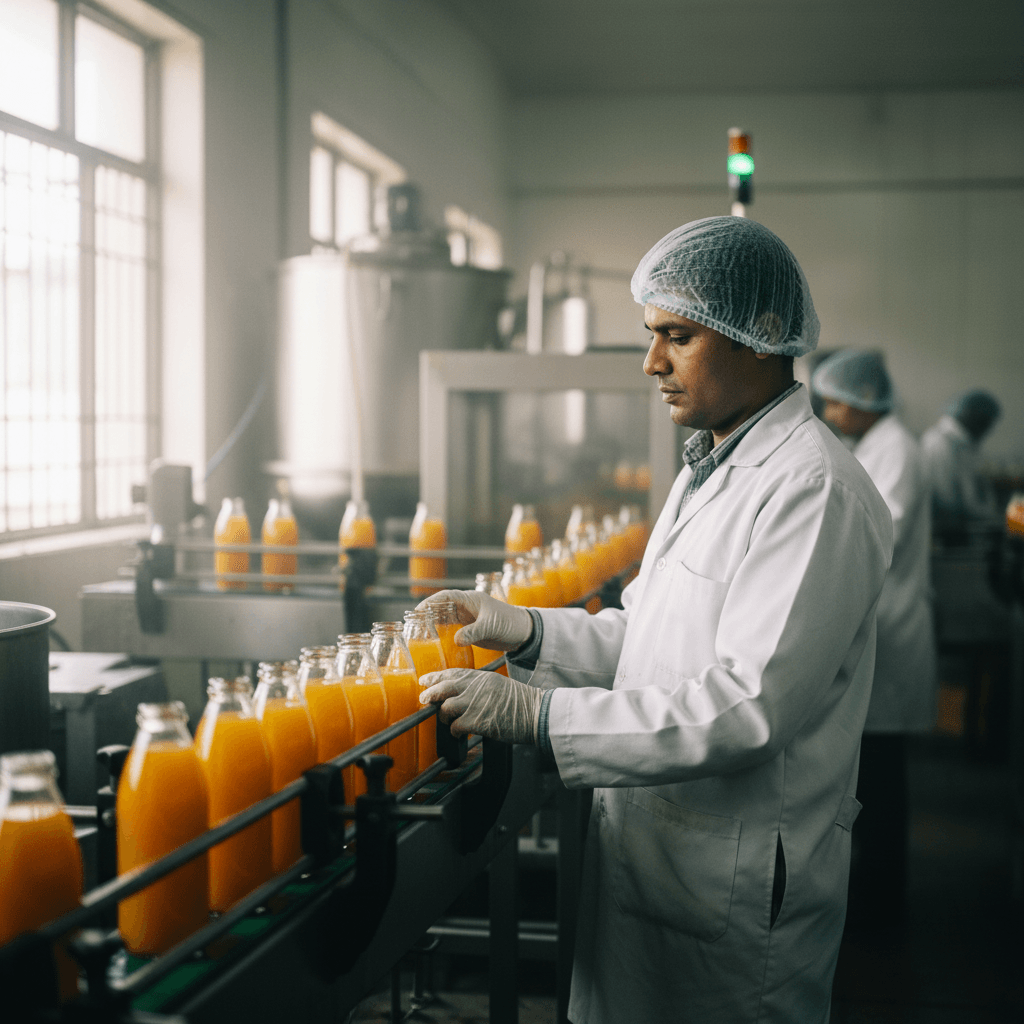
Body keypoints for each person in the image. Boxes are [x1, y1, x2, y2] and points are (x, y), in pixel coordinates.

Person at [420, 216, 892, 1023]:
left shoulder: (814, 491)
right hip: (657, 861)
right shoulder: (711, 466)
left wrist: (539, 715)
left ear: (760, 335)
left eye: (677, 336)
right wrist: (527, 630)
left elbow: (746, 705)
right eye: (652, 336)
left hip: (732, 896)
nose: (651, 363)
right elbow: (648, 639)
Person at [812, 350, 937, 925]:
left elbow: (874, 533)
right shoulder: (879, 444)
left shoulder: (898, 450)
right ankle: (877, 886)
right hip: (883, 625)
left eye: (838, 401)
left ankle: (883, 900)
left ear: (865, 399)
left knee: (884, 776)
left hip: (894, 626)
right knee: (879, 771)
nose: (833, 413)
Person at [921, 389, 1002, 532]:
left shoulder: (964, 445)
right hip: (945, 531)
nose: (986, 431)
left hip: (961, 526)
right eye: (984, 423)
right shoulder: (939, 443)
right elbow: (946, 499)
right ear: (971, 416)